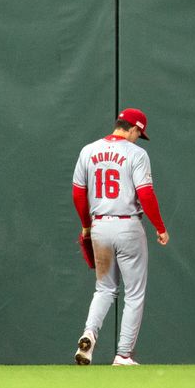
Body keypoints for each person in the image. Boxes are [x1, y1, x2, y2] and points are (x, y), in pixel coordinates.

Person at [71, 108, 169, 366]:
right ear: (134, 128)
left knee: (104, 289)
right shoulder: (136, 154)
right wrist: (160, 227)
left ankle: (89, 334)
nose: (139, 137)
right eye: (139, 133)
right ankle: (123, 355)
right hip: (128, 226)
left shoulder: (88, 150)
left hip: (100, 226)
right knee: (134, 293)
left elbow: (78, 194)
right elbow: (146, 194)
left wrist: (86, 226)